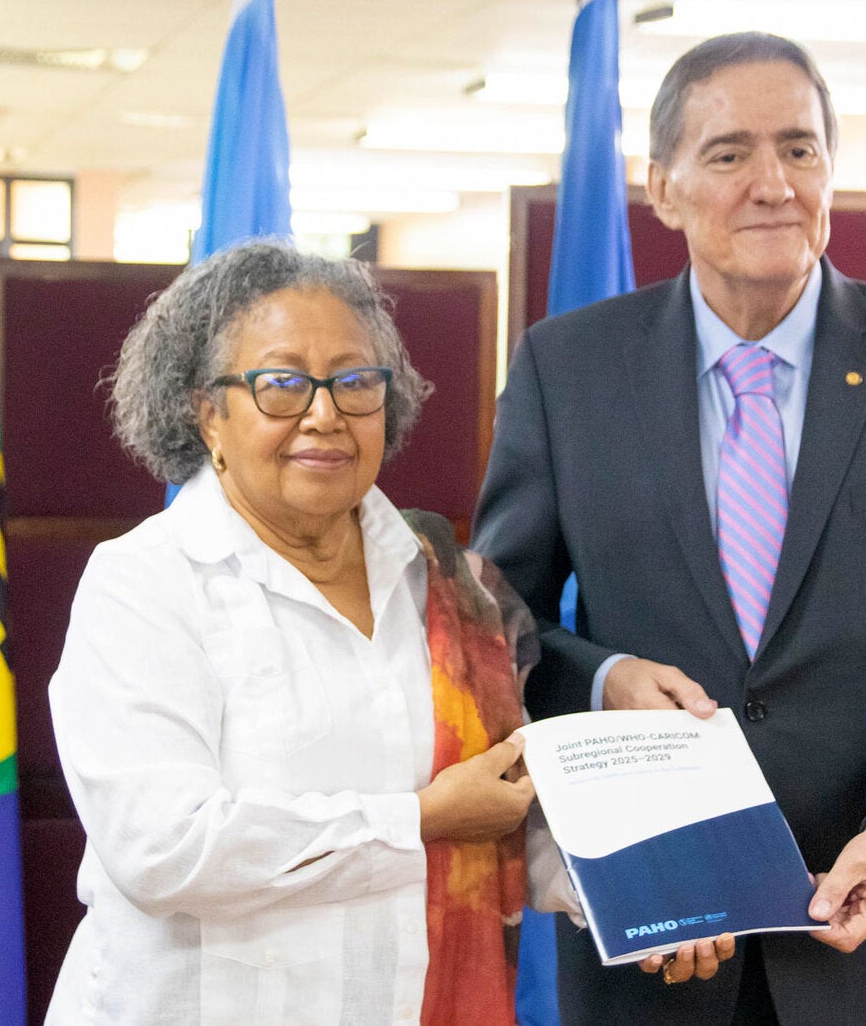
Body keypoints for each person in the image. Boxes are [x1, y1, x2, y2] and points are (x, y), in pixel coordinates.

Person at [473, 31, 866, 1025]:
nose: (772, 183)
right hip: (658, 939)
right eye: (728, 153)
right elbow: (495, 625)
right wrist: (603, 677)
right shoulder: (566, 370)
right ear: (661, 189)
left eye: (798, 148)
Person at [47, 241, 560, 1023]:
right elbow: (165, 849)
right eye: (282, 384)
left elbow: (503, 809)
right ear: (207, 411)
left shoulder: (448, 582)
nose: (324, 414)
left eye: (355, 382)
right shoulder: (145, 584)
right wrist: (418, 819)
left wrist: (649, 904)